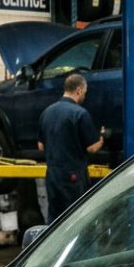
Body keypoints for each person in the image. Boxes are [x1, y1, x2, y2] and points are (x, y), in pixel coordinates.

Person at [37, 73, 105, 221]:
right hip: (73, 178)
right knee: (76, 220)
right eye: (85, 93)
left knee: (55, 222)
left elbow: (41, 146)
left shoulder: (47, 113)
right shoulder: (80, 113)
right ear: (79, 90)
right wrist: (101, 139)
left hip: (53, 176)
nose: (84, 97)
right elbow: (91, 148)